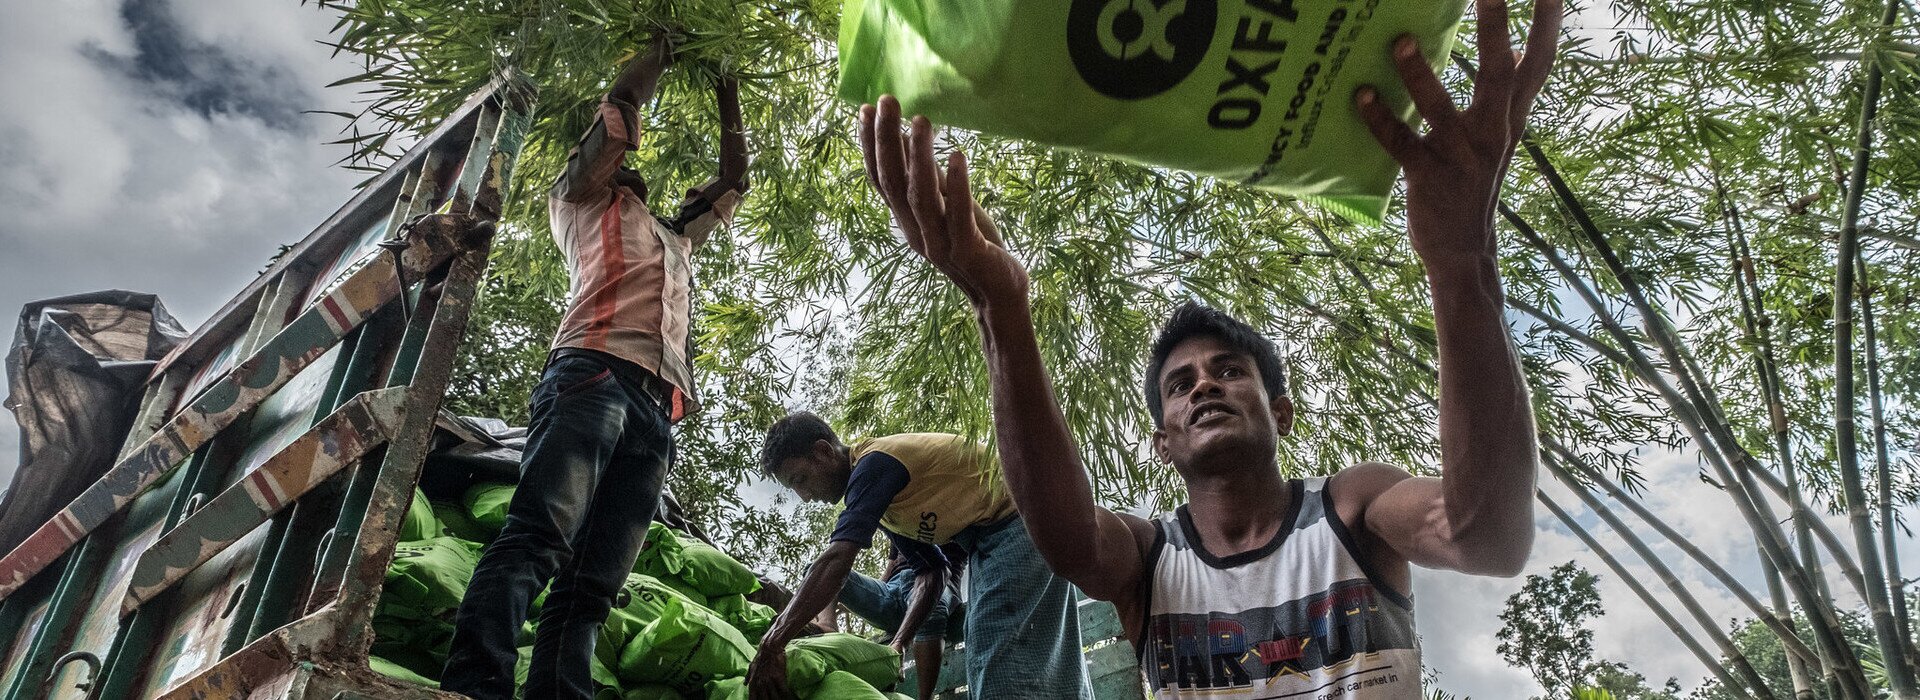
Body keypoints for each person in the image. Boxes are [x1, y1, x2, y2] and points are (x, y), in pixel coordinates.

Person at [849, 0, 1561, 695]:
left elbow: (1487, 536)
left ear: (1280, 413)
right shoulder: (1151, 560)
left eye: (1228, 371)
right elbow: (1064, 537)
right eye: (1180, 384)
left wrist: (1462, 258)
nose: (1204, 387)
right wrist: (999, 307)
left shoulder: (1353, 509)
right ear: (1162, 441)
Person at [440, 31, 749, 700]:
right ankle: (475, 687)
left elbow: (733, 180)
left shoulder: (674, 238)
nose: (638, 168)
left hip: (655, 412)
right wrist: (664, 46)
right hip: (593, 375)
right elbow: (620, 106)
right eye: (625, 160)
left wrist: (726, 82)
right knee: (538, 540)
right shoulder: (579, 199)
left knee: (594, 585)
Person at [745, 414, 1092, 699]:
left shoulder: (874, 465)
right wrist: (900, 642)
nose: (805, 496)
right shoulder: (889, 502)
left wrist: (773, 641)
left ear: (823, 453)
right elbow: (933, 572)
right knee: (1036, 654)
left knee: (990, 648)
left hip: (1020, 522)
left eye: (801, 479)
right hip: (994, 540)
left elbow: (837, 561)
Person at [811, 544, 967, 700]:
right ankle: (827, 624)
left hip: (940, 583)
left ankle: (925, 697)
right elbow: (890, 566)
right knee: (822, 569)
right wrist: (860, 593)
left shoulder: (959, 521)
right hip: (892, 590)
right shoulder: (903, 525)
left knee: (933, 609)